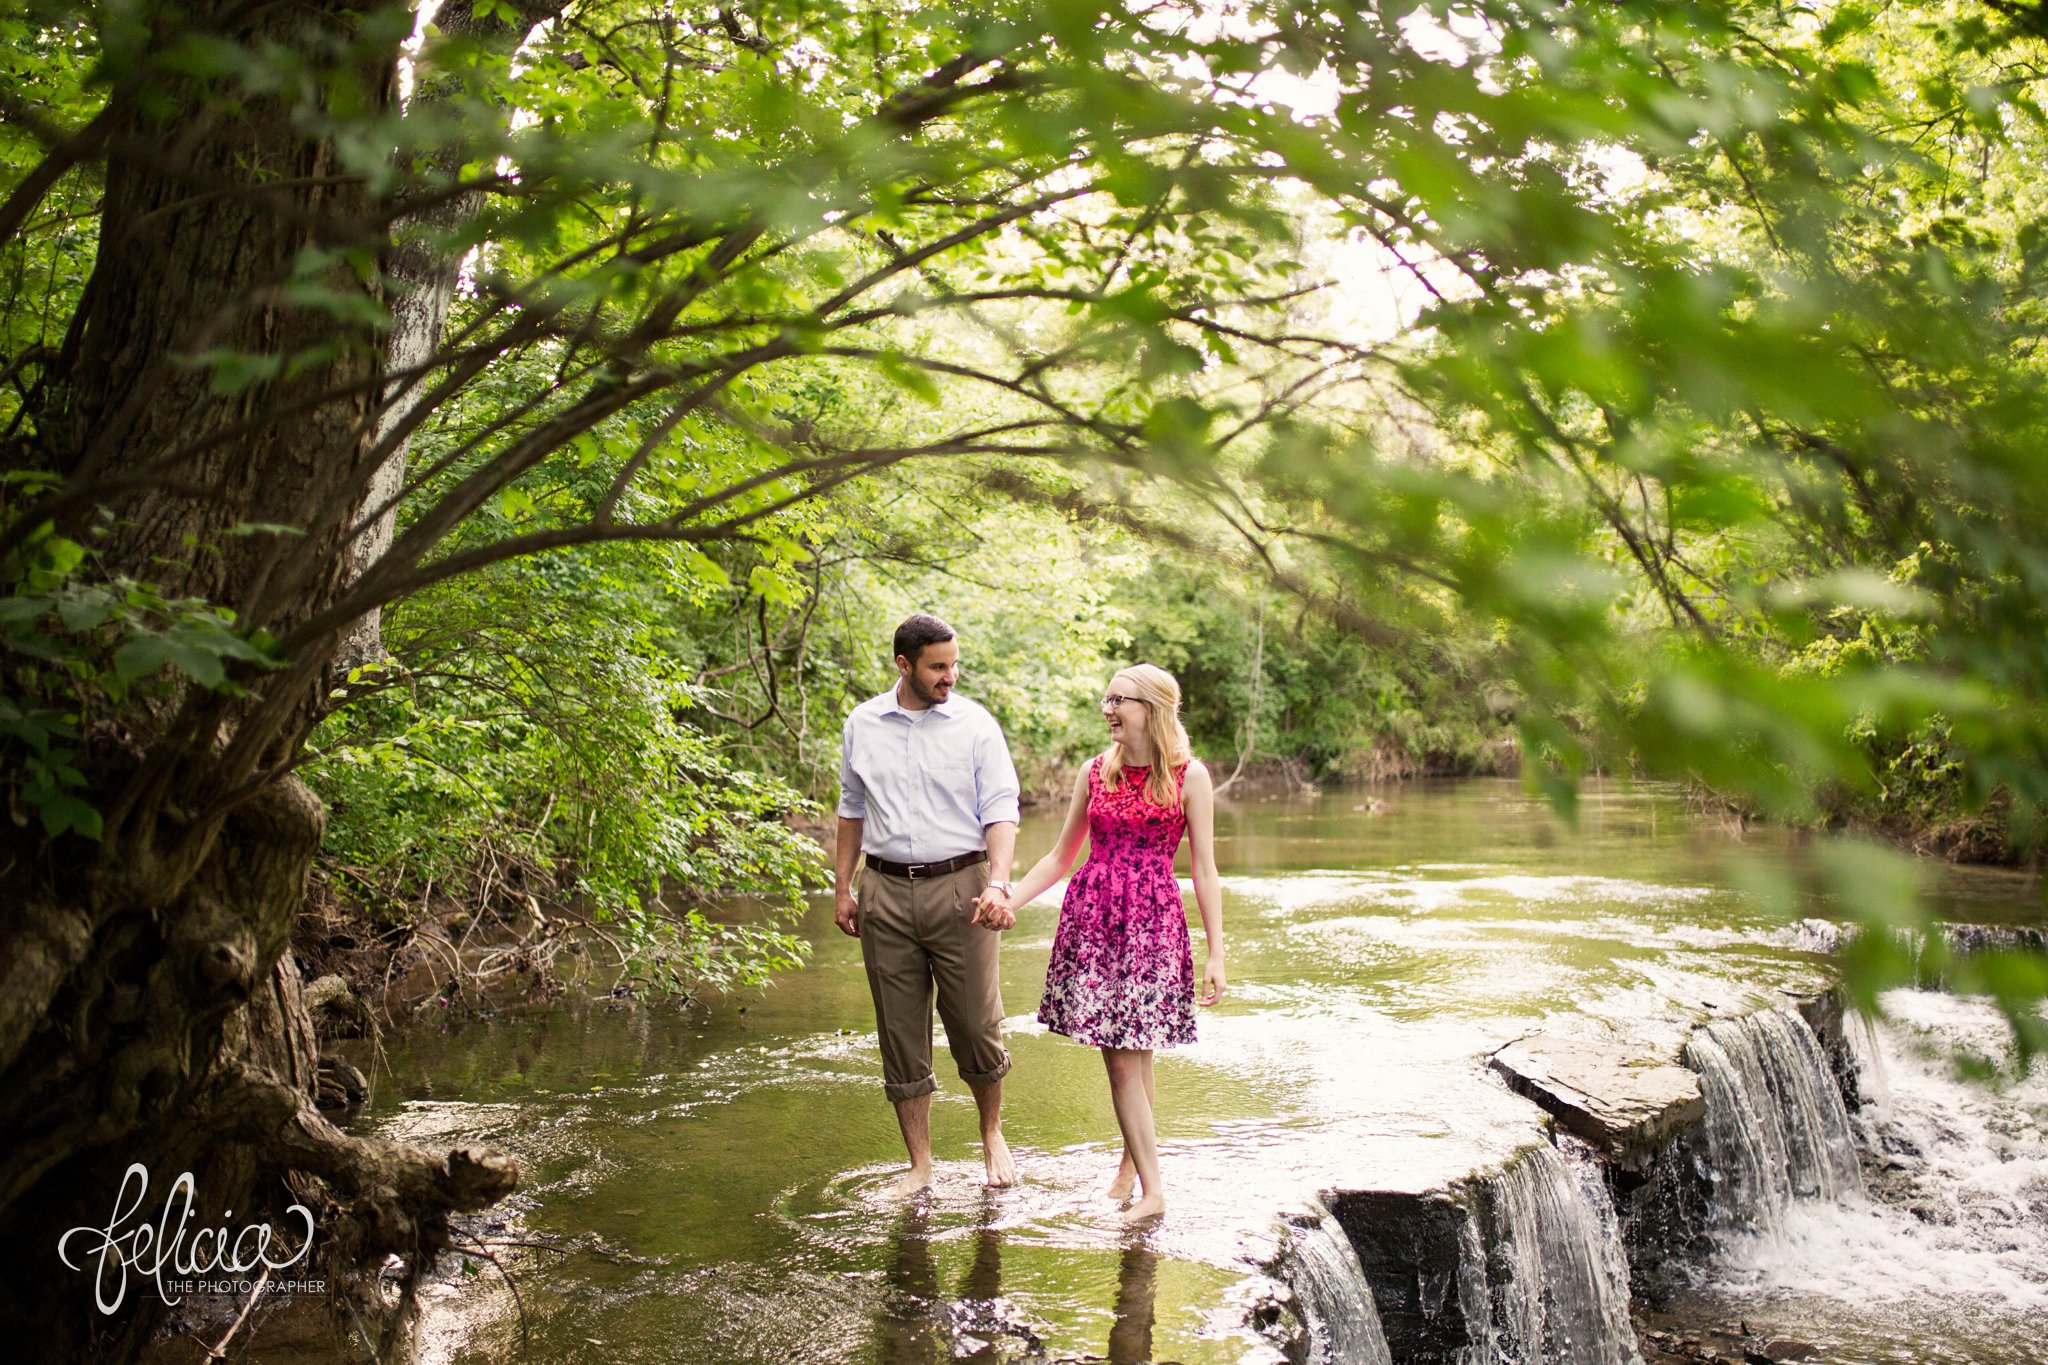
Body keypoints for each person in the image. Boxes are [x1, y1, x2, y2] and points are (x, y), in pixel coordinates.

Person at [982, 663, 1224, 1223]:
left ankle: (1152, 1189)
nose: (1109, 709)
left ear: (1154, 709)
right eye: (1107, 699)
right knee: (1130, 1058)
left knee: (1127, 1060)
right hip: (1095, 921)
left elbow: (1206, 870)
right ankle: (1133, 1169)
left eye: (1121, 700)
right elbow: (1059, 857)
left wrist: (1216, 952)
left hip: (1152, 924)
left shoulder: (1190, 777)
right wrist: (1007, 899)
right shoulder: (1096, 772)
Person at [835, 613, 1023, 1194]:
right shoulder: (862, 723)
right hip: (884, 890)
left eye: (953, 663)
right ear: (904, 665)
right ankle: (920, 1164)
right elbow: (850, 809)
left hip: (962, 886)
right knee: (899, 1030)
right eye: (938, 666)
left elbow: (1001, 809)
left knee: (974, 1022)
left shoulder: (974, 724)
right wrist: (843, 886)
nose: (951, 676)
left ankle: (991, 1133)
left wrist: (998, 883)